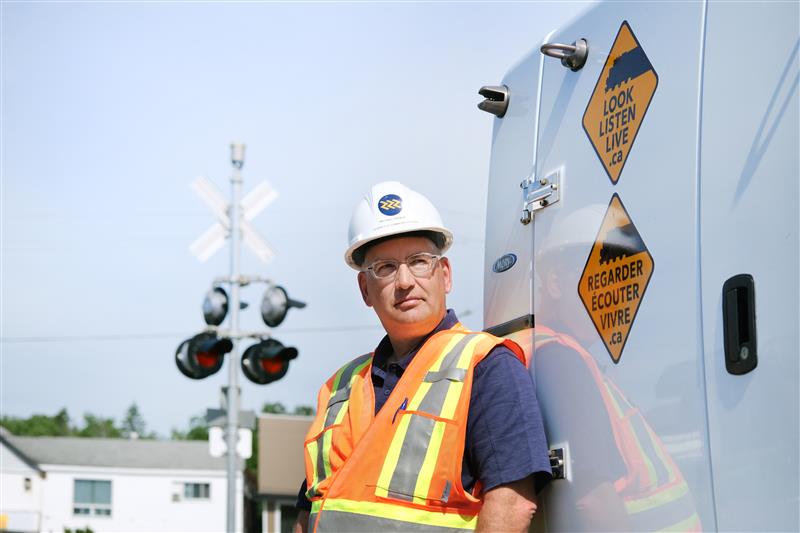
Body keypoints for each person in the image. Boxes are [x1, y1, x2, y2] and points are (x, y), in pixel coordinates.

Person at [294, 181, 552, 533]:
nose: (404, 281)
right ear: (365, 289)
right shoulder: (341, 388)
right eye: (385, 267)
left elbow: (512, 504)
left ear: (444, 275)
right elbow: (310, 510)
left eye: (418, 262)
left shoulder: (485, 365)